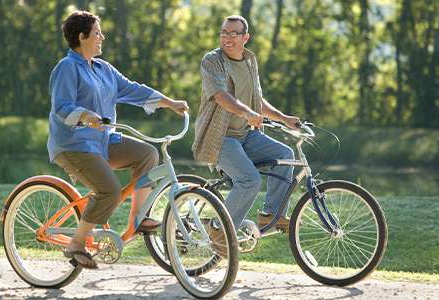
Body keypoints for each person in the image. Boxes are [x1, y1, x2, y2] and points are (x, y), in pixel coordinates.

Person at [48, 10, 189, 269]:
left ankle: (139, 218)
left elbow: (133, 90)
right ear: (82, 37)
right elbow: (61, 107)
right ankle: (77, 244)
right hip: (73, 144)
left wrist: (168, 102)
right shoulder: (66, 68)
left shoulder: (103, 68)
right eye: (97, 33)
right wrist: (86, 115)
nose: (102, 37)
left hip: (103, 140)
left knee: (148, 154)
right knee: (110, 190)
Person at [192, 15, 300, 255]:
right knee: (250, 180)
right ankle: (218, 229)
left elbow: (257, 100)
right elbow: (220, 95)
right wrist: (248, 112)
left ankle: (271, 213)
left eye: (233, 33)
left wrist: (284, 118)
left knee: (285, 154)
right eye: (224, 33)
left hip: (244, 135)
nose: (227, 38)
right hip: (218, 137)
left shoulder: (250, 61)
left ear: (245, 37)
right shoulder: (212, 61)